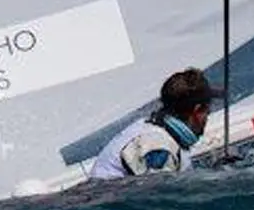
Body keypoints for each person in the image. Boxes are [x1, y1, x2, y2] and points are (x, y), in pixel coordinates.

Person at [89, 68, 224, 179]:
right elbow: (158, 196)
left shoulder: (153, 127)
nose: (208, 114)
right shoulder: (160, 147)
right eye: (207, 109)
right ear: (197, 111)